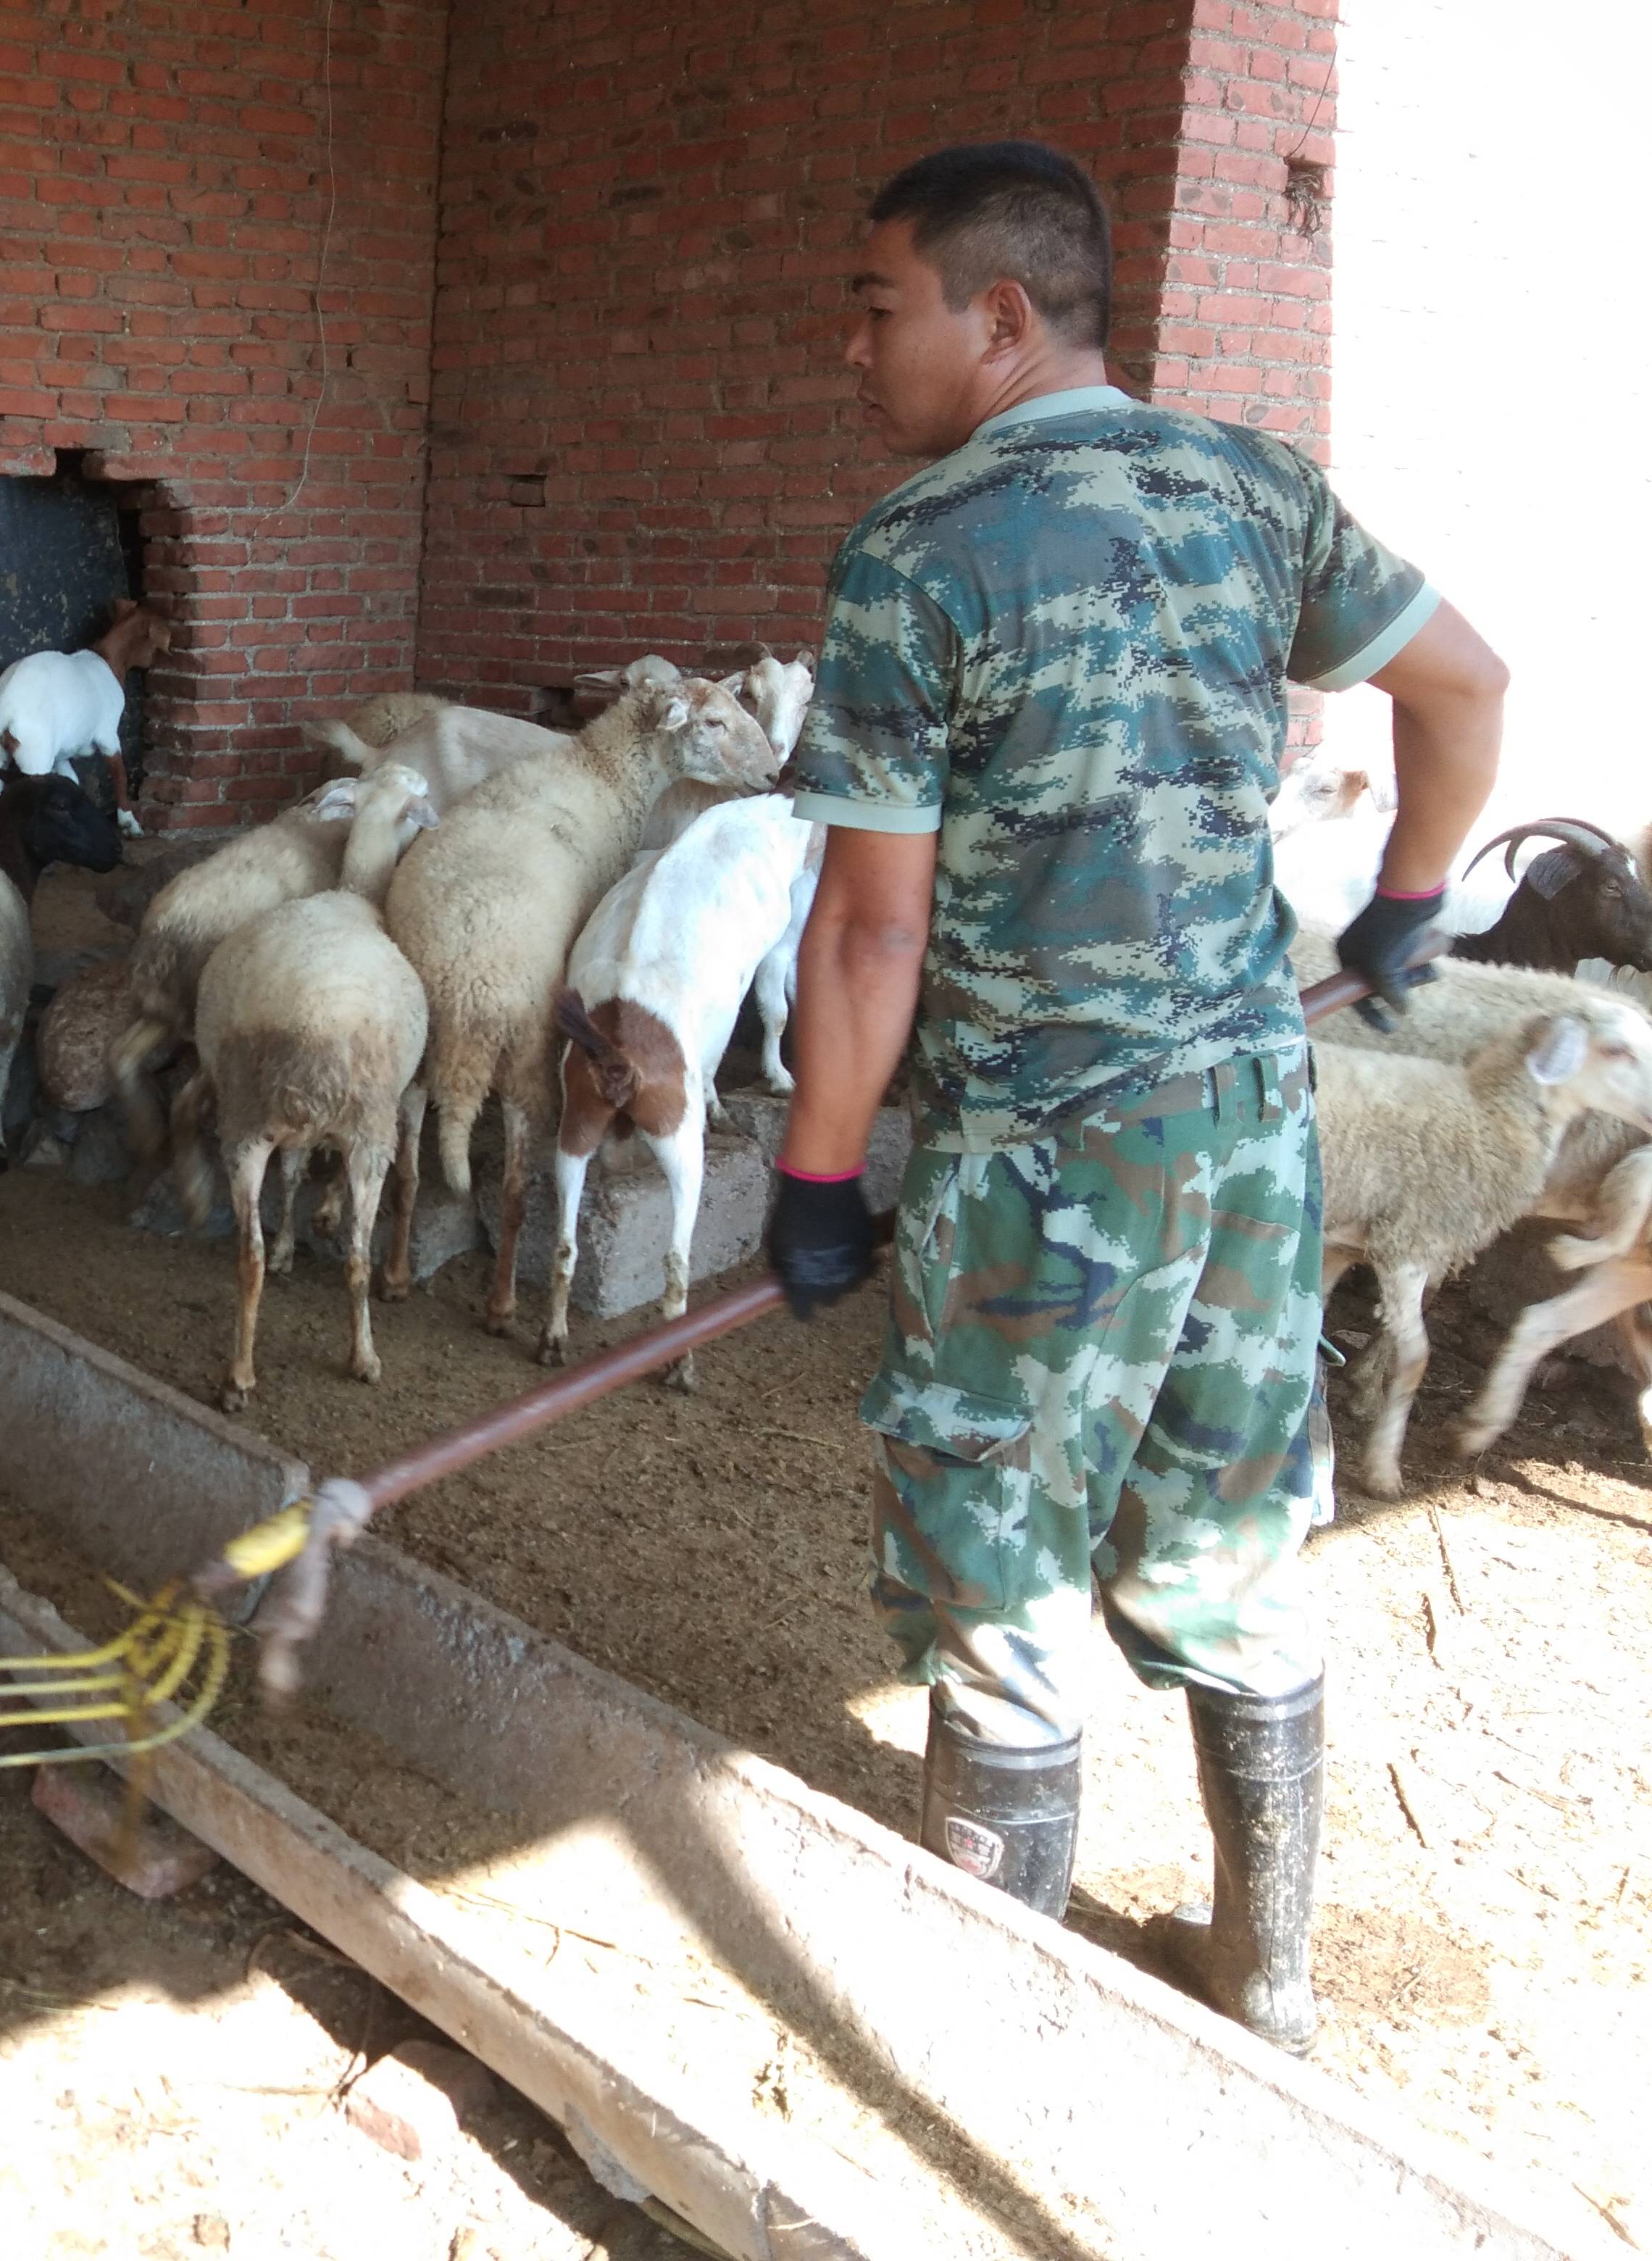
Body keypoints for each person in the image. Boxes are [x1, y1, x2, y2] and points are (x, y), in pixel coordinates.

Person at [761, 140, 1506, 2052]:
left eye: (876, 305)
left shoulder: (920, 552)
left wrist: (822, 1174)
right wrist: (1416, 887)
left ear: (998, 318)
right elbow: (1467, 684)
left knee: (1001, 1570)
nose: (853, 350)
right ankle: (1264, 1991)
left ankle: (981, 2046)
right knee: (1237, 1537)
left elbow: (866, 936)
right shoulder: (1251, 486)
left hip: (1043, 1164)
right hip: (1254, 1136)